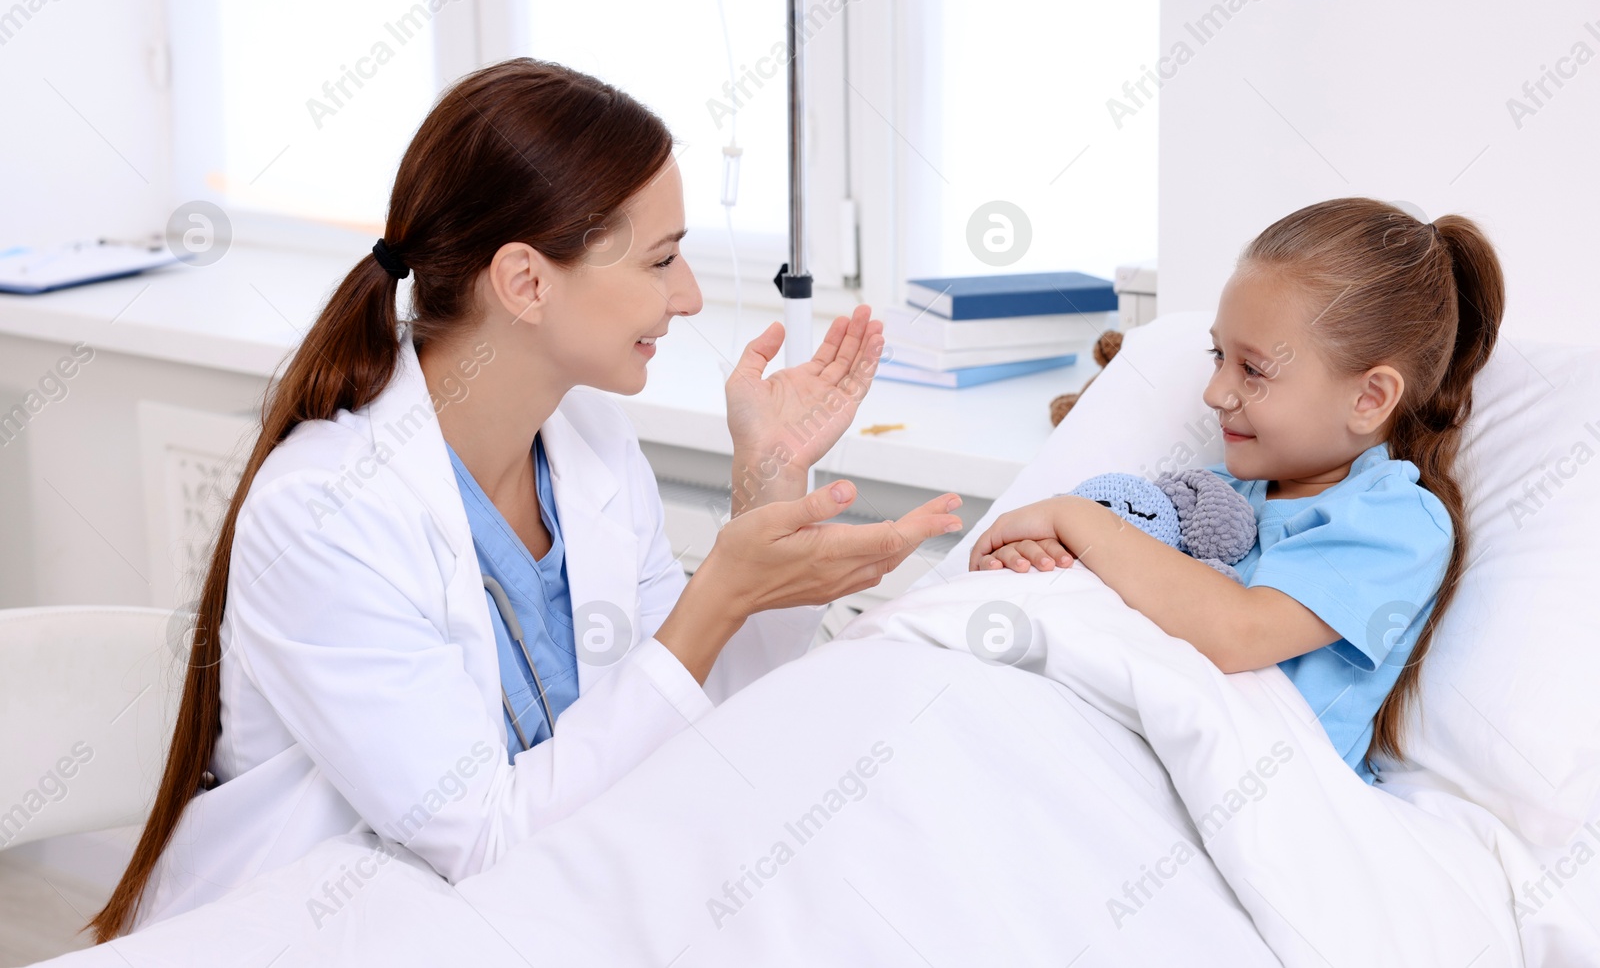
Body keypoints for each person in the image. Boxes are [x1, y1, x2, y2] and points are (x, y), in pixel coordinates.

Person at [92, 59, 962, 939]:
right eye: (662, 259)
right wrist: (717, 595)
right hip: (333, 927)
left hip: (544, 907)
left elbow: (693, 714)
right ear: (526, 282)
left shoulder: (589, 441)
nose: (691, 296)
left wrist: (768, 490)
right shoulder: (324, 511)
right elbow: (483, 838)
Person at [970, 197, 1504, 785]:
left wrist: (1078, 521)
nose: (1215, 391)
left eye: (1252, 369)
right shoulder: (1210, 495)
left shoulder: (1396, 521)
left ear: (1369, 398)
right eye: (1218, 355)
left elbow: (1239, 632)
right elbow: (1117, 586)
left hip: (1261, 785)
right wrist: (1037, 562)